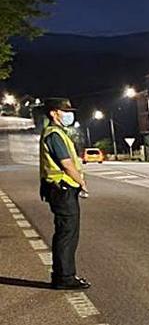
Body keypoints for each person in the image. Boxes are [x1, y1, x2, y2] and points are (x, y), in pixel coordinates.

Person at [39, 97, 91, 291]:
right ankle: (64, 277)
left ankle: (63, 275)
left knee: (66, 233)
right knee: (67, 234)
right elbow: (66, 164)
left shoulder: (59, 133)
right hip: (62, 189)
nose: (69, 114)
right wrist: (82, 182)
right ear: (54, 113)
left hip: (62, 189)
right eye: (64, 111)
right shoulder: (54, 134)